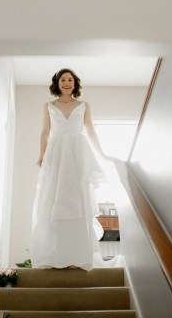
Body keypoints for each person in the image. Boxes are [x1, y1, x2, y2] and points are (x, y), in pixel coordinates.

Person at [30, 68, 112, 271]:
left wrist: (101, 154)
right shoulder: (48, 106)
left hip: (78, 153)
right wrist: (41, 154)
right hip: (56, 153)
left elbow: (91, 130)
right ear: (57, 83)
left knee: (79, 198)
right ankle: (54, 255)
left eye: (70, 80)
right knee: (52, 198)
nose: (67, 83)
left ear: (75, 84)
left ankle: (78, 255)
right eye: (63, 79)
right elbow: (45, 131)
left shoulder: (84, 105)